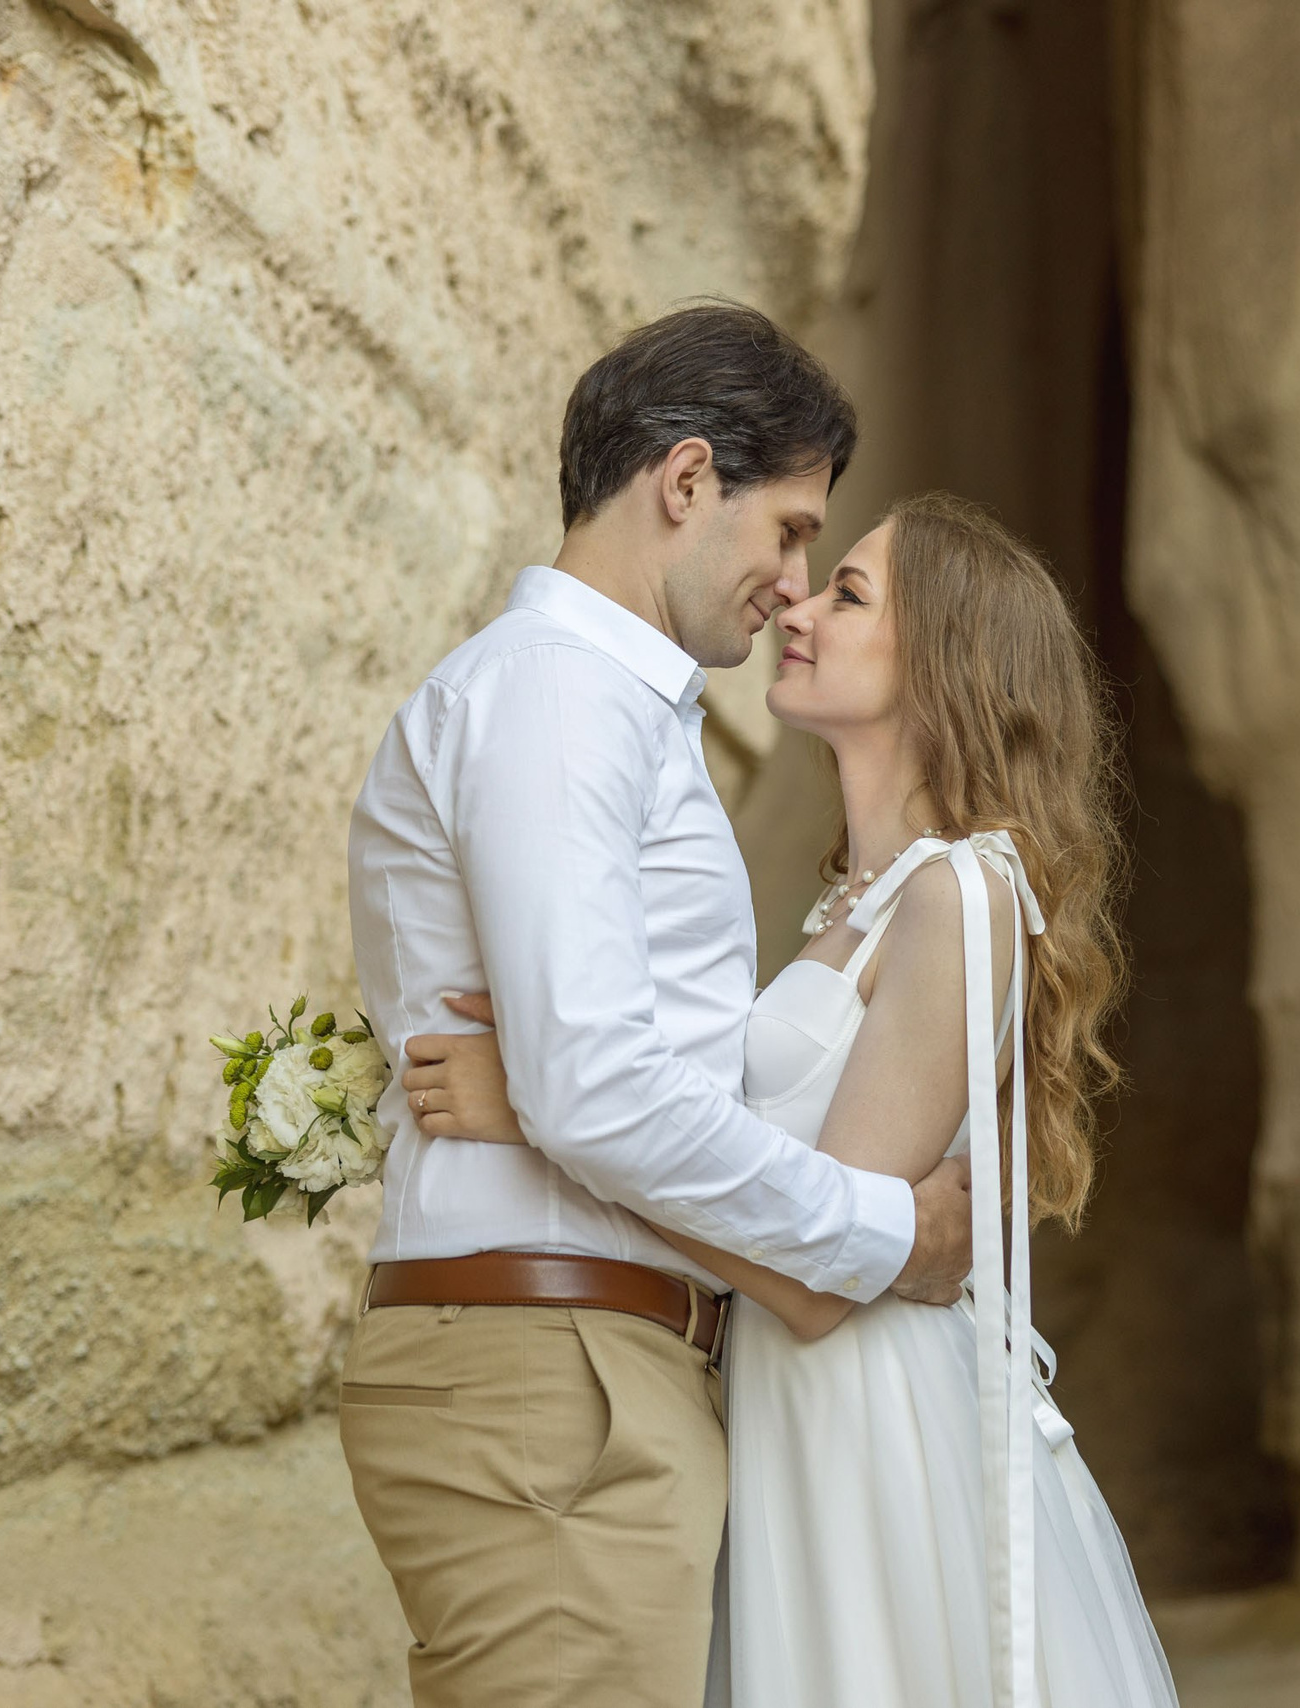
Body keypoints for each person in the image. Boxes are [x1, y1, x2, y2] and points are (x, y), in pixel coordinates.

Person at [405, 493, 1181, 1706]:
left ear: (945, 663)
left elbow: (818, 1273)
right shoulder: (848, 910)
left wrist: (540, 1112)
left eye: (851, 594)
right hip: (785, 1407)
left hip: (872, 1419)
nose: (798, 606)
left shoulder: (963, 899)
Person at [341, 303, 977, 1708]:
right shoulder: (562, 697)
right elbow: (599, 1085)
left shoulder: (594, 708)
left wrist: (533, 1099)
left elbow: (580, 1078)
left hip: (577, 1375)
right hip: (550, 1379)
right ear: (686, 482)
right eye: (793, 529)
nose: (792, 580)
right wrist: (884, 1232)